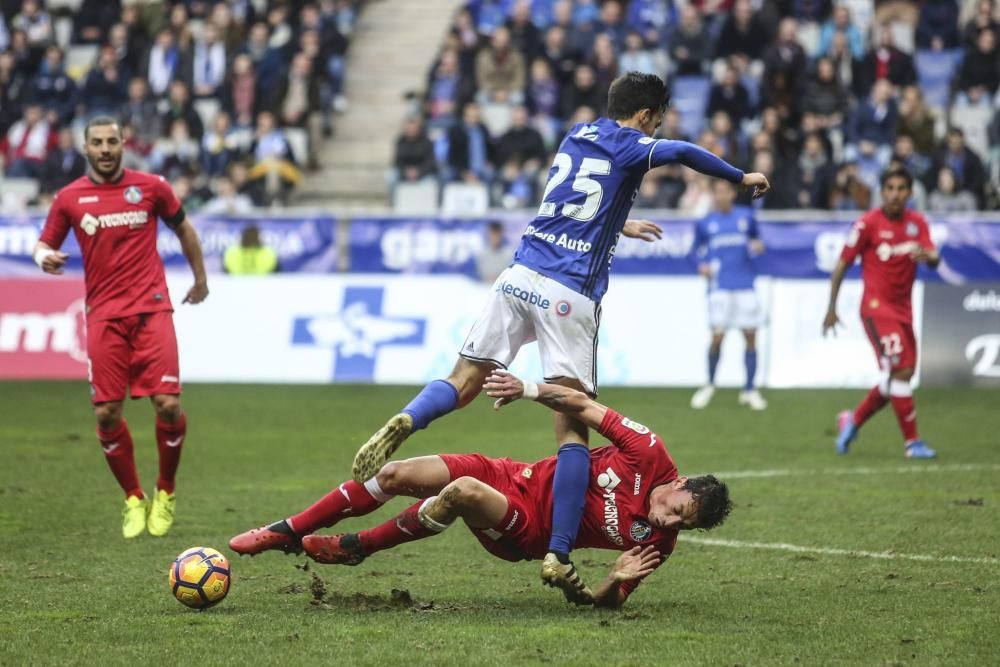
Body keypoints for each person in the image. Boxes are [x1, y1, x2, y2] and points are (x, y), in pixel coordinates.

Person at [349, 72, 768, 603]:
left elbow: (580, 202)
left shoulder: (576, 134)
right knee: (573, 427)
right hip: (568, 291)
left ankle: (412, 416)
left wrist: (621, 224)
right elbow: (683, 150)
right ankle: (560, 550)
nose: (657, 127)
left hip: (520, 272)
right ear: (646, 115)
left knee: (463, 378)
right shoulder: (634, 142)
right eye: (657, 118)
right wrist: (740, 174)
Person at [229, 369, 733, 609]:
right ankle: (288, 530)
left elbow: (601, 603)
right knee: (393, 475)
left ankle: (357, 547)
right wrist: (529, 389)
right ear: (679, 481)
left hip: (529, 532)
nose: (668, 522)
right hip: (513, 473)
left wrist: (613, 582)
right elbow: (583, 408)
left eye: (680, 525)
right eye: (677, 509)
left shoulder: (656, 543)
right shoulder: (647, 451)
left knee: (462, 492)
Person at [32, 116, 209, 538]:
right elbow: (44, 243)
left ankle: (165, 490)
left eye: (113, 141)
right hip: (104, 317)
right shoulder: (70, 198)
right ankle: (133, 496)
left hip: (151, 310)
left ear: (123, 144)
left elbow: (184, 228)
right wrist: (44, 258)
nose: (106, 149)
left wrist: (200, 279)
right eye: (98, 142)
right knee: (108, 414)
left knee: (167, 404)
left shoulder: (151, 187)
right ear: (86, 147)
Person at [823, 167, 939, 459]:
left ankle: (853, 419)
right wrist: (831, 307)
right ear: (882, 191)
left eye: (902, 188)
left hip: (904, 310)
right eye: (890, 188)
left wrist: (931, 256)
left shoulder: (917, 223)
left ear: (909, 193)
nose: (895, 194)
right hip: (876, 308)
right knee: (900, 370)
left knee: (902, 374)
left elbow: (934, 257)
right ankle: (913, 443)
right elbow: (841, 266)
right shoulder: (866, 224)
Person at [689, 180, 767, 411]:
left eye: (726, 191)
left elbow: (756, 239)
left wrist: (758, 246)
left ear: (733, 194)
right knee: (717, 338)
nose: (722, 196)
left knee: (751, 336)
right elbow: (693, 250)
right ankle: (710, 385)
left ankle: (750, 390)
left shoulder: (746, 216)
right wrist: (700, 265)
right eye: (718, 192)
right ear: (713, 195)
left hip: (745, 285)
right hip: (719, 287)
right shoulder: (705, 223)